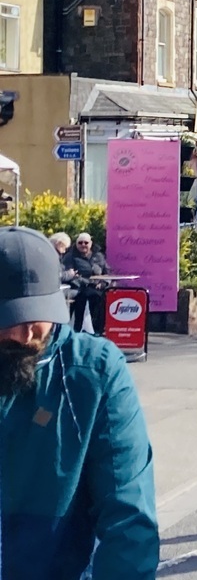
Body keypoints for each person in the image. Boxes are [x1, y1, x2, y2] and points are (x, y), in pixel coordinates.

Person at [0, 226, 159, 580]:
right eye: (8, 317)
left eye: (35, 314)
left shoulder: (94, 372)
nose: (25, 334)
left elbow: (129, 517)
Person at [61, 231, 110, 333]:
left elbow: (107, 272)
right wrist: (85, 282)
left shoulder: (99, 256)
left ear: (90, 244)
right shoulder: (70, 256)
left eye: (86, 243)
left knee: (100, 300)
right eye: (80, 242)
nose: (83, 245)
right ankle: (77, 330)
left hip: (97, 289)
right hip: (78, 288)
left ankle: (98, 330)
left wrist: (104, 282)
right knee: (84, 297)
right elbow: (69, 274)